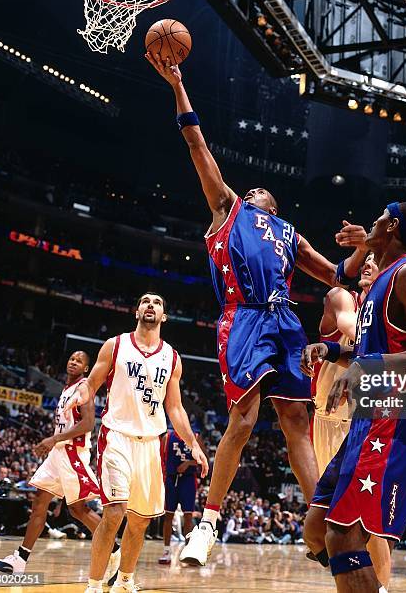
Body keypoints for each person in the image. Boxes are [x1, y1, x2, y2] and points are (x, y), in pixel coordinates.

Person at [146, 52, 369, 567]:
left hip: (286, 323)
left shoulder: (290, 234)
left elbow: (340, 275)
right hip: (243, 318)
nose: (252, 189)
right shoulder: (229, 209)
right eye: (249, 189)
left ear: (275, 203)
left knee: (295, 419)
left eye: (259, 190)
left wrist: (360, 245)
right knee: (244, 420)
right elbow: (197, 143)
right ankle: (207, 523)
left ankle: (321, 520)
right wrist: (179, 85)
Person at [302, 202, 406, 591]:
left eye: (376, 220)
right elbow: (374, 349)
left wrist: (366, 366)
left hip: (395, 419)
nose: (369, 224)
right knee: (317, 530)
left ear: (392, 227)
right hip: (366, 421)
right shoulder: (379, 284)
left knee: (345, 535)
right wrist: (333, 352)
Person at [64, 293, 209, 593]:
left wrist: (193, 443)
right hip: (116, 435)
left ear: (164, 316)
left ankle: (125, 580)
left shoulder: (172, 357)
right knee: (115, 511)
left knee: (141, 520)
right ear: (137, 312)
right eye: (145, 301)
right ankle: (93, 585)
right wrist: (81, 394)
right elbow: (91, 382)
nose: (151, 305)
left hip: (151, 443)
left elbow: (176, 408)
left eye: (157, 302)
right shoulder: (115, 345)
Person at [0, 351, 120, 584]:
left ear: (86, 369)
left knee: (79, 510)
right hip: (58, 452)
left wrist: (54, 439)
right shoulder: (66, 389)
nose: (73, 362)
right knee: (39, 500)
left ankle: (115, 551)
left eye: (79, 361)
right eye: (71, 358)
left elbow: (88, 423)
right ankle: (19, 559)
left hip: (71, 453)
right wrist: (55, 441)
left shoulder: (84, 388)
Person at [158, 428, 205, 565]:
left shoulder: (195, 436)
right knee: (168, 516)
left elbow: (202, 459)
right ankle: (166, 551)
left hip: (188, 479)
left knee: (188, 516)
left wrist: (189, 463)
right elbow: (160, 458)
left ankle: (188, 551)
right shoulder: (167, 437)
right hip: (171, 479)